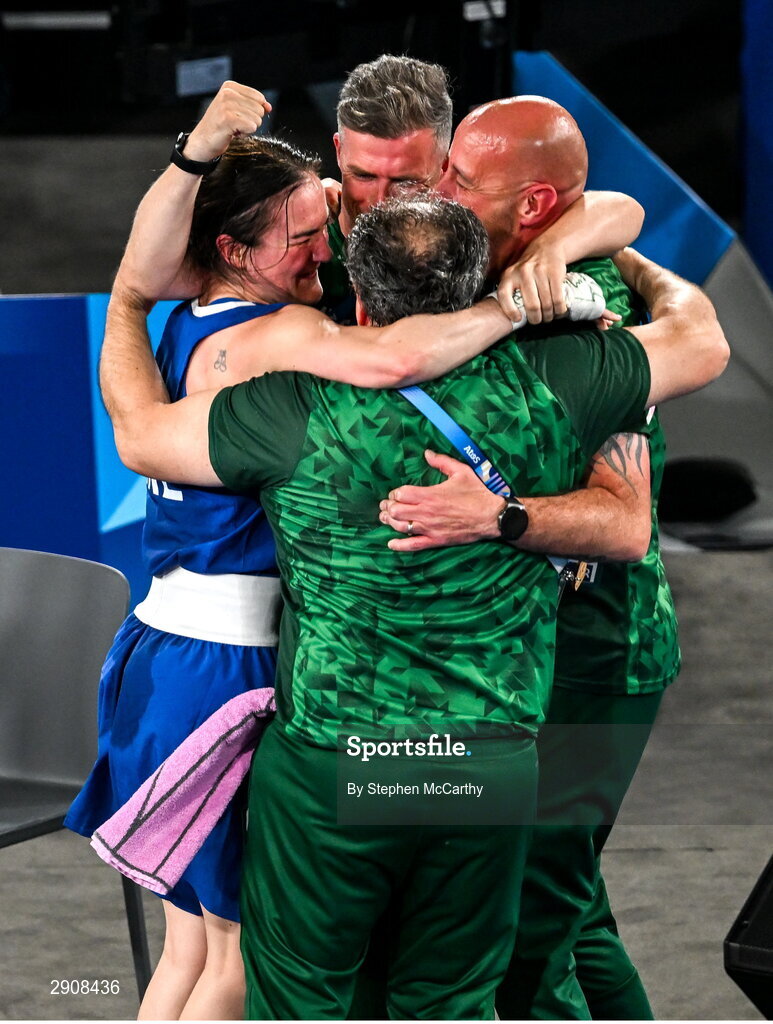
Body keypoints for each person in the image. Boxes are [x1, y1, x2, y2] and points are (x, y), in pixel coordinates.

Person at [99, 193, 727, 1019]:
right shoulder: (560, 376)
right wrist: (634, 267)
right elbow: (700, 340)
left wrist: (129, 304)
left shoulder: (295, 407)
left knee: (304, 1002)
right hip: (483, 763)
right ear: (473, 285)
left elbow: (139, 432)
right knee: (450, 1001)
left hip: (337, 763)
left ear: (357, 299)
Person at [64, 87, 520, 1022]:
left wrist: (191, 162)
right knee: (240, 960)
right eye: (303, 237)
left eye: (326, 224)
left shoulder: (187, 306)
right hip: (228, 675)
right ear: (234, 249)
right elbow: (395, 361)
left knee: (190, 947)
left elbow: (140, 275)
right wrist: (517, 301)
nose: (329, 251)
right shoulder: (279, 337)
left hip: (160, 656)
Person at [379, 95, 686, 1019]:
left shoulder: (593, 318)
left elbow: (623, 523)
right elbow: (613, 206)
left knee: (535, 926)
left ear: (535, 204)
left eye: (461, 181)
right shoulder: (485, 270)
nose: (436, 192)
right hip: (514, 662)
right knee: (569, 907)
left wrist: (497, 516)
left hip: (598, 653)